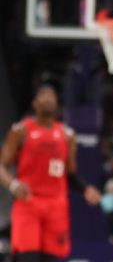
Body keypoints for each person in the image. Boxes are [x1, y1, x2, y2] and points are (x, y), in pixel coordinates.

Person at [0, 83, 101, 262]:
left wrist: (86, 190)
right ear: (34, 103)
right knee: (27, 258)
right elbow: (2, 166)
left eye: (51, 96)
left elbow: (70, 175)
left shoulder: (67, 135)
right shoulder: (20, 131)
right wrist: (13, 185)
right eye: (43, 96)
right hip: (28, 203)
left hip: (56, 207)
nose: (47, 99)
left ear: (56, 104)